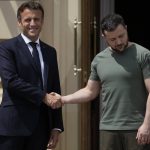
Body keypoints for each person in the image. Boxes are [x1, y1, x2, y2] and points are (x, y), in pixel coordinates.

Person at [50, 14, 150, 150]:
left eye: (121, 36)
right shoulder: (99, 60)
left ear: (126, 29)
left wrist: (146, 125)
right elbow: (90, 91)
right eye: (113, 39)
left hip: (137, 128)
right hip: (108, 128)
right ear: (104, 37)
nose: (119, 42)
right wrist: (63, 99)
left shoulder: (143, 54)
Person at [0, 1, 63, 150]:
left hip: (40, 127)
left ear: (42, 21)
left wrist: (56, 126)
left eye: (37, 19)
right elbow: (11, 82)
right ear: (19, 22)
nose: (32, 23)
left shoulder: (50, 52)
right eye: (28, 19)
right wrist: (43, 96)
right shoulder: (6, 48)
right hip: (13, 126)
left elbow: (55, 88)